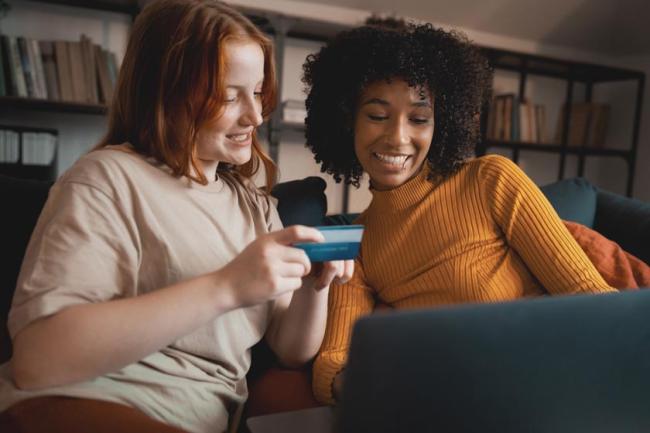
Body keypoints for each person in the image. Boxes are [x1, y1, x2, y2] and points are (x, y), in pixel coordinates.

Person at [0, 1, 353, 432]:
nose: (256, 115)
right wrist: (225, 287)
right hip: (78, 403)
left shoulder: (255, 207)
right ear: (165, 92)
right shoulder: (108, 178)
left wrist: (314, 288)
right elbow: (39, 361)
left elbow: (290, 349)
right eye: (228, 95)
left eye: (258, 91)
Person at [302, 20, 616, 405]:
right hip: (453, 399)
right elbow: (333, 362)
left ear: (442, 124)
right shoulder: (356, 243)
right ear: (346, 119)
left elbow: (593, 300)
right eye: (378, 115)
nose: (398, 137)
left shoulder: (491, 180)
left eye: (419, 118)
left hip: (552, 379)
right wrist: (366, 387)